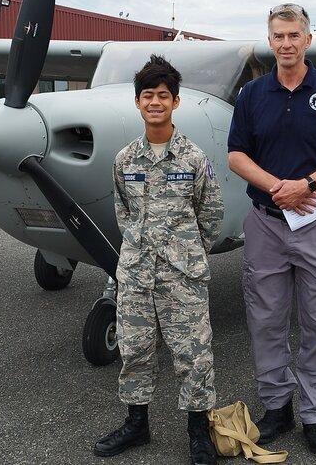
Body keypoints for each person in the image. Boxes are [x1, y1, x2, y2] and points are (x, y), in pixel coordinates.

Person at [226, 3, 316, 456]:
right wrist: (277, 188)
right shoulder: (252, 94)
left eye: (293, 35)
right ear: (270, 41)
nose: (286, 43)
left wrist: (307, 184)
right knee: (265, 319)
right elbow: (237, 155)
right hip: (266, 223)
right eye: (278, 36)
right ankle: (277, 406)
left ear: (307, 39)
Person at [94, 55, 225, 465]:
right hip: (136, 275)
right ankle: (137, 425)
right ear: (137, 102)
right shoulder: (124, 160)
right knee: (134, 350)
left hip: (182, 275)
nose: (155, 102)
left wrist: (187, 254)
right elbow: (124, 213)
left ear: (175, 102)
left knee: (193, 354)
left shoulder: (193, 158)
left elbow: (211, 214)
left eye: (163, 95)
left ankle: (198, 432)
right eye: (148, 95)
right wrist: (140, 250)